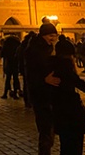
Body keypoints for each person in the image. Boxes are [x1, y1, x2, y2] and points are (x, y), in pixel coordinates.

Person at [24, 23, 60, 155]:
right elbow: (30, 72)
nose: (54, 38)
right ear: (44, 35)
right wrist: (43, 79)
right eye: (51, 35)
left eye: (55, 36)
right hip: (40, 93)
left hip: (51, 92)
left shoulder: (50, 47)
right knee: (45, 128)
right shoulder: (34, 49)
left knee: (50, 128)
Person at [0, 34, 21, 99]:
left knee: (8, 79)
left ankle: (5, 93)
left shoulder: (6, 44)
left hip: (8, 63)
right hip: (16, 63)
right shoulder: (18, 44)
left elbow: (2, 54)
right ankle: (15, 94)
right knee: (15, 78)